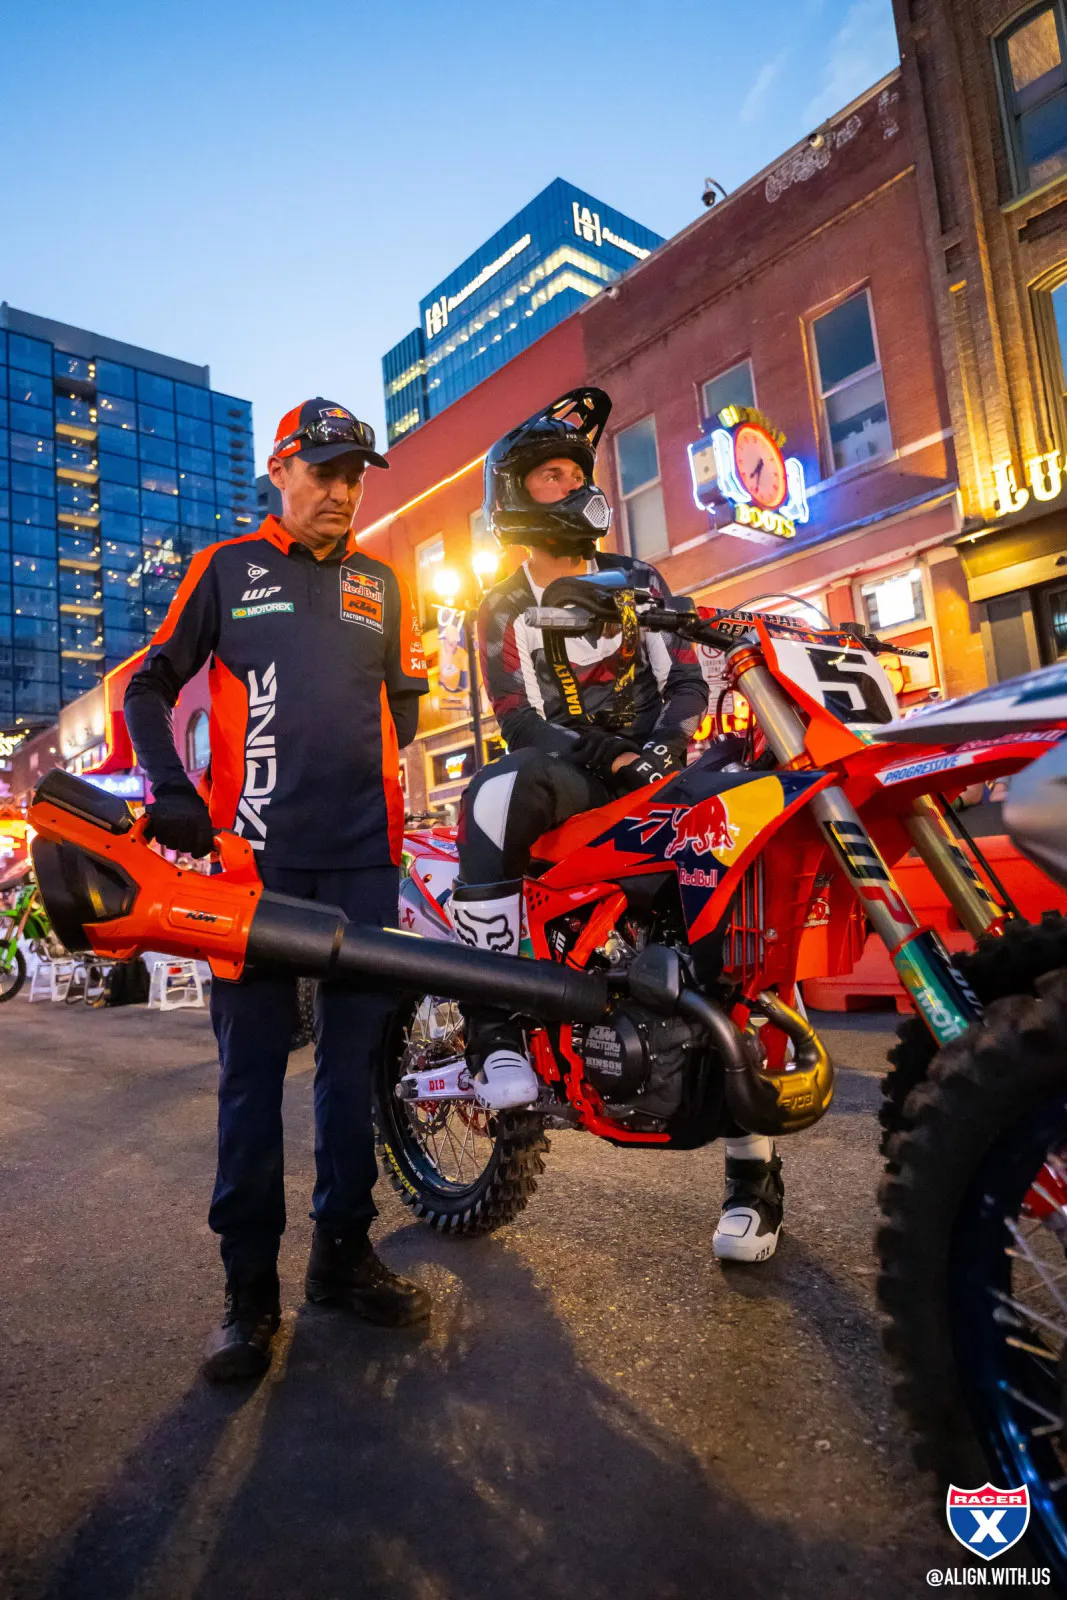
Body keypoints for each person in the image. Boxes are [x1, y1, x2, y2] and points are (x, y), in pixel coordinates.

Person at [125, 399, 432, 1381]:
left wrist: (366, 772)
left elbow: (404, 708)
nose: (343, 492)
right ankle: (246, 1295)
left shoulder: (384, 583)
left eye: (356, 476)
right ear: (282, 468)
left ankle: (341, 1257)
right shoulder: (228, 569)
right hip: (251, 871)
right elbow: (147, 685)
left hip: (361, 864)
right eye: (327, 472)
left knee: (354, 1073)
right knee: (252, 1079)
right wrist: (171, 788)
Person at [454, 388, 785, 1264]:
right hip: (568, 779)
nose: (572, 486)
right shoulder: (494, 605)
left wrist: (667, 746)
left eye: (576, 472)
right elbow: (518, 718)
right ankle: (491, 1035)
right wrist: (613, 760)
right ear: (516, 492)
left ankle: (754, 1176)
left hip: (661, 772)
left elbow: (684, 677)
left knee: (728, 922)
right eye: (552, 474)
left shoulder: (637, 579)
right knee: (494, 789)